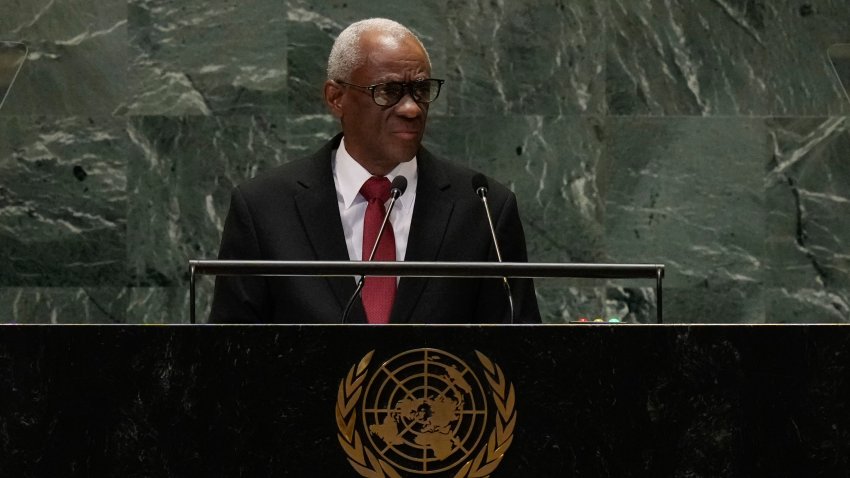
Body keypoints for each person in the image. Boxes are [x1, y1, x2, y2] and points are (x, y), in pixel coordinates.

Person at [210, 18, 540, 324]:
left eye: (421, 91)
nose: (411, 109)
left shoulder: (483, 208)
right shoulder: (264, 208)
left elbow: (519, 355)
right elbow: (228, 357)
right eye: (389, 92)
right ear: (336, 98)